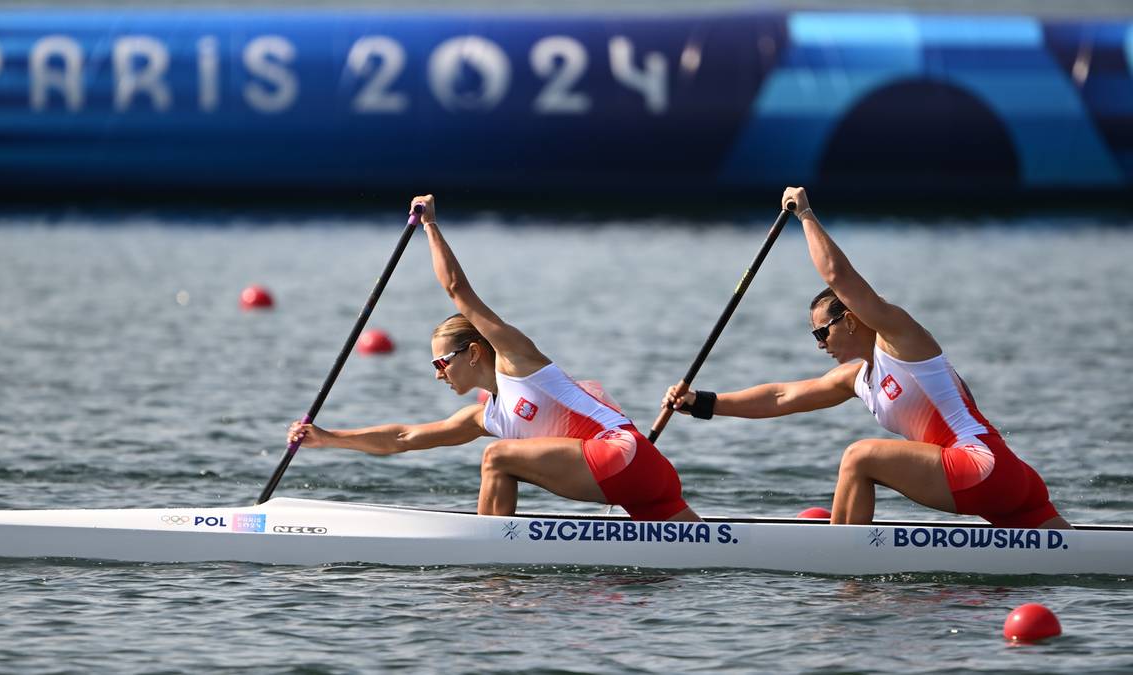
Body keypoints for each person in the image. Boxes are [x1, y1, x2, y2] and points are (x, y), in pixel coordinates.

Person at [663, 187, 1069, 529]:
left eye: (823, 331)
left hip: (979, 466)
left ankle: (840, 569)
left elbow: (838, 277)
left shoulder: (900, 338)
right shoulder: (857, 377)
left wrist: (804, 214)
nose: (820, 343)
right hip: (1010, 478)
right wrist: (701, 403)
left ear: (852, 320)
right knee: (1076, 558)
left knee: (859, 457)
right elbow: (781, 397)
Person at [289, 195, 700, 522]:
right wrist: (328, 438)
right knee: (707, 555)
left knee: (497, 456)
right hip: (649, 477)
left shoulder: (518, 361)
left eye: (441, 363)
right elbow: (403, 438)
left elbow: (456, 289)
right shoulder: (484, 416)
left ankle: (488, 559)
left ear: (473, 352)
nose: (439, 375)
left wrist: (430, 225)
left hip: (622, 454)